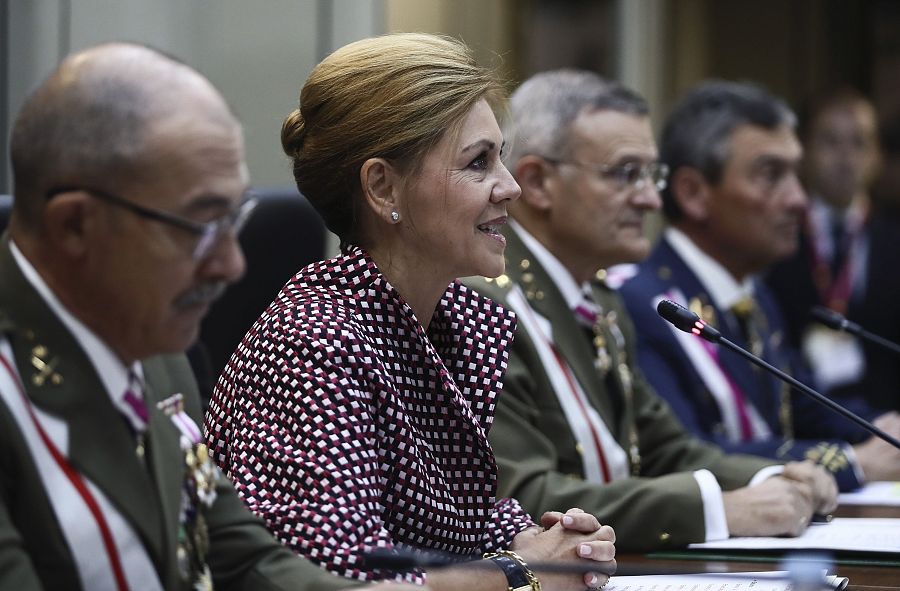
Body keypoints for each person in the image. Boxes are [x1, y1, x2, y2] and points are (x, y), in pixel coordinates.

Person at [0, 42, 424, 591]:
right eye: (200, 227)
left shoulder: (158, 349)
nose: (232, 263)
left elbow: (238, 556)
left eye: (233, 217)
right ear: (75, 226)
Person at [205, 33, 616, 591]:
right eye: (478, 163)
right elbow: (350, 578)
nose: (511, 187)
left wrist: (550, 539)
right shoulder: (310, 348)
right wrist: (523, 573)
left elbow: (452, 520)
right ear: (382, 188)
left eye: (502, 158)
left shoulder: (453, 321)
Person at [466, 69, 838, 553]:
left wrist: (778, 476)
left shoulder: (601, 299)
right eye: (626, 173)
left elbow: (666, 446)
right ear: (537, 183)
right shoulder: (485, 302)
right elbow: (523, 497)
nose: (649, 198)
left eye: (651, 174)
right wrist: (718, 509)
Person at [619, 80, 900, 491]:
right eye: (772, 176)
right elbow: (684, 453)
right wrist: (849, 463)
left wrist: (884, 427)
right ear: (694, 193)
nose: (798, 200)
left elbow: (809, 407)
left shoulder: (753, 296)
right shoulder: (644, 303)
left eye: (796, 175)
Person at [766, 88, 900, 412]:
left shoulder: (893, 239)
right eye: (830, 141)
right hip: (796, 417)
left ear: (878, 155)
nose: (845, 157)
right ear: (804, 150)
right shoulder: (774, 235)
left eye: (859, 143)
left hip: (886, 420)